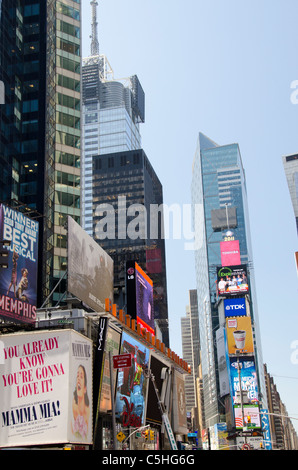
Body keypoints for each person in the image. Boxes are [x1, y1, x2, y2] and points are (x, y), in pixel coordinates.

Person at [72, 365, 90, 440]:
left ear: (85, 388)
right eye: (77, 376)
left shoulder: (88, 412)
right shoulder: (72, 407)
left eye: (81, 377)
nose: (78, 378)